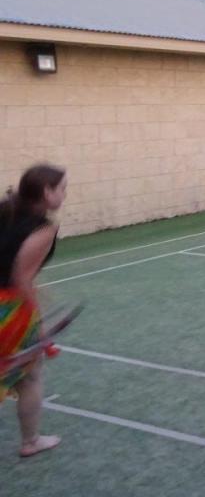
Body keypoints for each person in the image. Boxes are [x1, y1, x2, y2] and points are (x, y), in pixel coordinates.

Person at [1, 164, 67, 457]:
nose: (65, 194)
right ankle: (30, 442)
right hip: (8, 310)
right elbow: (21, 277)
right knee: (30, 375)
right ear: (46, 192)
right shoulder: (44, 228)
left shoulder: (6, 211)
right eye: (62, 188)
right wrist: (37, 323)